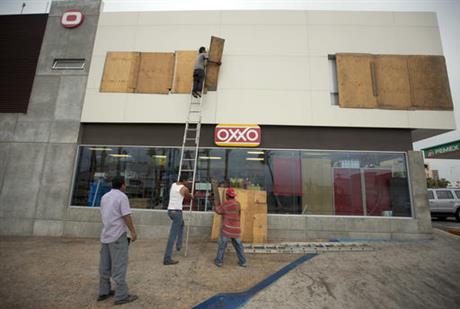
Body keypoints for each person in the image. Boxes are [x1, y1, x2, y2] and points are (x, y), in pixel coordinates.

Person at [98, 176, 138, 305]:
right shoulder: (122, 197)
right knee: (119, 265)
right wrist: (132, 231)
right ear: (122, 185)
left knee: (105, 266)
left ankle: (104, 291)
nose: (125, 187)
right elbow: (126, 215)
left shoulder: (105, 197)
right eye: (125, 184)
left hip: (105, 235)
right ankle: (121, 295)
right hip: (117, 235)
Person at [214, 188, 247, 267]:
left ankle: (219, 261)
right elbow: (238, 214)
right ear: (233, 196)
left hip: (227, 228)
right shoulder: (238, 204)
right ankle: (243, 262)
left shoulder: (226, 203)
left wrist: (215, 206)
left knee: (222, 245)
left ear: (227, 196)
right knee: (239, 246)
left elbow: (219, 211)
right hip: (236, 229)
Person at [163, 178, 192, 265]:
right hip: (177, 213)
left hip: (170, 211)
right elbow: (188, 196)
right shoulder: (184, 188)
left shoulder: (173, 185)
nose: (188, 182)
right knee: (172, 236)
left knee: (182, 224)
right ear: (183, 181)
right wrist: (192, 196)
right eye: (187, 181)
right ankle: (167, 258)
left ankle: (179, 245)